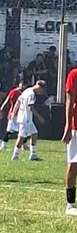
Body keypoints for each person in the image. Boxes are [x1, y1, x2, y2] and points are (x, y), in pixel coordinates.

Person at [11, 80, 46, 162]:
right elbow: (31, 107)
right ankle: (15, 156)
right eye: (42, 90)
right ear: (40, 87)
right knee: (21, 137)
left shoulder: (27, 90)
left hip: (27, 118)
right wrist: (39, 117)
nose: (41, 92)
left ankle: (33, 154)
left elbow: (18, 101)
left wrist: (14, 112)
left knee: (34, 133)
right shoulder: (31, 94)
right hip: (25, 118)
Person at [61, 67, 77, 216]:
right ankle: (70, 204)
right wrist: (68, 125)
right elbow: (69, 100)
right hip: (76, 126)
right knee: (73, 163)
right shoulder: (74, 74)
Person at [0, 79, 25, 151]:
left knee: (23, 130)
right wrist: (2, 108)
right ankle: (3, 145)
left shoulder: (25, 92)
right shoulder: (14, 92)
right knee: (9, 130)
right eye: (22, 84)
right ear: (19, 84)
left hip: (21, 114)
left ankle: (23, 145)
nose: (23, 86)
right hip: (13, 114)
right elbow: (7, 100)